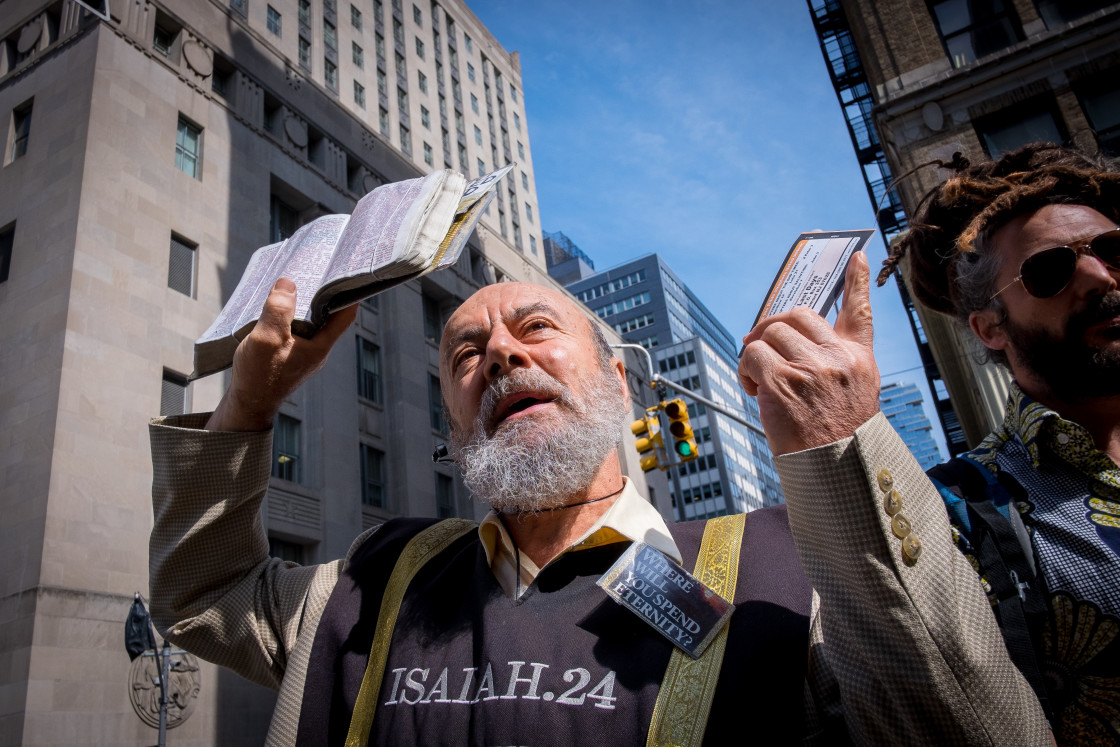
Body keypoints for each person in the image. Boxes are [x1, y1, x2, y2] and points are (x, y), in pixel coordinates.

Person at [149, 254, 1048, 745]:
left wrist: (844, 456)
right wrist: (250, 402)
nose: (500, 355)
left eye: (536, 328)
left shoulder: (792, 568)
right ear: (454, 418)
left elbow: (968, 726)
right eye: (466, 354)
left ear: (619, 383)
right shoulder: (372, 582)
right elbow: (198, 596)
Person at [882, 142, 1120, 745]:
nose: (1099, 275)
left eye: (1115, 251)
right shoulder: (945, 512)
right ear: (990, 327)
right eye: (1050, 270)